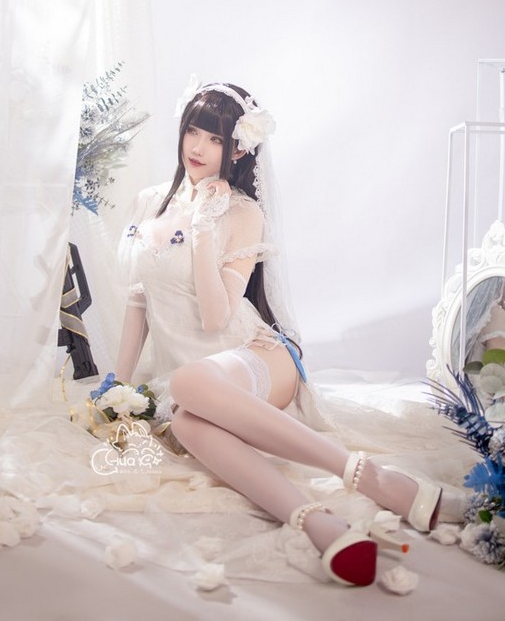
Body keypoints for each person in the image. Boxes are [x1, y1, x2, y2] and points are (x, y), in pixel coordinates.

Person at [115, 79, 447, 587]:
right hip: (195, 381)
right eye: (193, 132)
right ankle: (319, 524)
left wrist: (203, 227)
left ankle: (371, 477)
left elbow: (215, 320)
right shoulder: (148, 203)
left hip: (254, 356)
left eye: (216, 138)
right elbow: (139, 302)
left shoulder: (243, 212)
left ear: (237, 149)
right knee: (185, 423)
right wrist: (116, 390)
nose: (198, 147)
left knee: (188, 385)